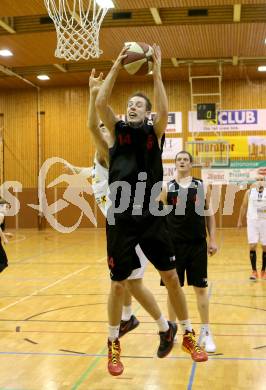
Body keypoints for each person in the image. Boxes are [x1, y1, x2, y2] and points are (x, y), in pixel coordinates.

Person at [96, 44, 208, 376]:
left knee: (172, 278)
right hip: (120, 216)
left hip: (150, 214)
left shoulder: (152, 133)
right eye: (129, 104)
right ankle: (114, 343)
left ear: (146, 114)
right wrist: (117, 64)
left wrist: (156, 71)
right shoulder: (116, 134)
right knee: (118, 284)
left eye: (138, 105)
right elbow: (101, 103)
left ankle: (187, 333)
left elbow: (163, 107)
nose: (133, 107)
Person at [68, 69, 173, 343]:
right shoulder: (101, 155)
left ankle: (161, 325)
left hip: (132, 220)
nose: (106, 130)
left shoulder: (113, 152)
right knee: (123, 279)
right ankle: (130, 317)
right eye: (105, 128)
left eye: (109, 128)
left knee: (130, 282)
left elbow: (94, 125)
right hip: (118, 220)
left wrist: (95, 97)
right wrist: (92, 95)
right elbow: (93, 126)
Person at [160, 151, 218, 353]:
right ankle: (171, 330)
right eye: (179, 159)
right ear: (175, 164)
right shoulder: (167, 187)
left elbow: (209, 214)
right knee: (173, 289)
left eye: (185, 159)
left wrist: (213, 240)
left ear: (191, 164)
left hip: (197, 245)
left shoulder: (201, 185)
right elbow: (160, 217)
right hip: (174, 246)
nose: (182, 162)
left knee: (201, 289)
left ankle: (206, 332)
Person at [237, 174, 266, 281]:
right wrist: (240, 220)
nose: (259, 182)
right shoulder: (249, 192)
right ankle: (254, 271)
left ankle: (263, 271)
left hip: (264, 221)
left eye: (262, 180)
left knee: (265, 247)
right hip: (252, 221)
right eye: (258, 180)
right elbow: (244, 206)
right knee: (252, 245)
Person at [0, 199, 9, 273]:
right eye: (6, 207)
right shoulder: (1, 215)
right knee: (3, 262)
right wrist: (4, 238)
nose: (7, 209)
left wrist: (5, 234)